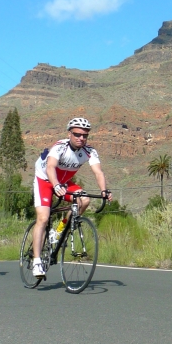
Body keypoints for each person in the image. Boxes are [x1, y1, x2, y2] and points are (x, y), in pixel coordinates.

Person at [31, 118, 111, 278]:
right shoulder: (60, 147)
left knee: (84, 200)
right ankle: (37, 261)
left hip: (64, 183)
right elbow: (50, 167)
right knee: (43, 218)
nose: (81, 138)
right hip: (45, 180)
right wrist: (55, 185)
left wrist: (104, 191)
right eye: (77, 134)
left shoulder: (89, 151)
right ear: (69, 134)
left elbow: (98, 172)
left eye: (85, 135)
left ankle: (59, 231)